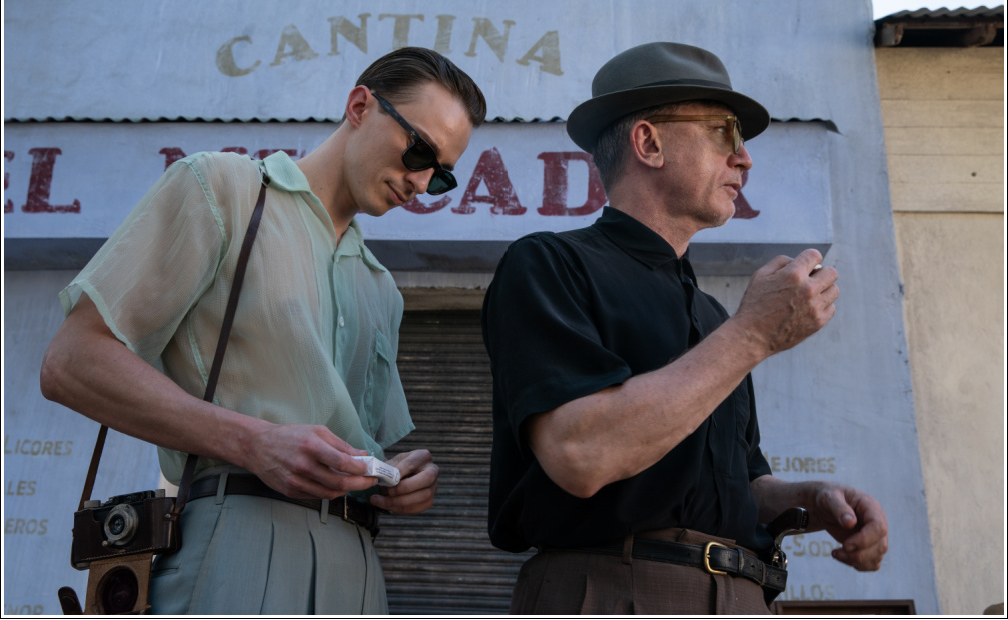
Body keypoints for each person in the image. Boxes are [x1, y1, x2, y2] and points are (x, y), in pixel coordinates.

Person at [40, 47, 486, 614]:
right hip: (237, 548)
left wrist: (390, 478)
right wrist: (251, 441)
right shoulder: (224, 189)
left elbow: (345, 445)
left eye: (441, 174)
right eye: (419, 150)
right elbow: (71, 362)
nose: (421, 182)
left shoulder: (381, 288)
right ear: (358, 105)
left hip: (361, 574)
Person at [481, 42, 888, 614]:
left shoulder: (714, 315)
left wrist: (809, 499)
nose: (744, 159)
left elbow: (733, 482)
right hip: (613, 591)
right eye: (724, 132)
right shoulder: (551, 264)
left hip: (742, 597)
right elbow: (580, 453)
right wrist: (753, 335)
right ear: (648, 143)